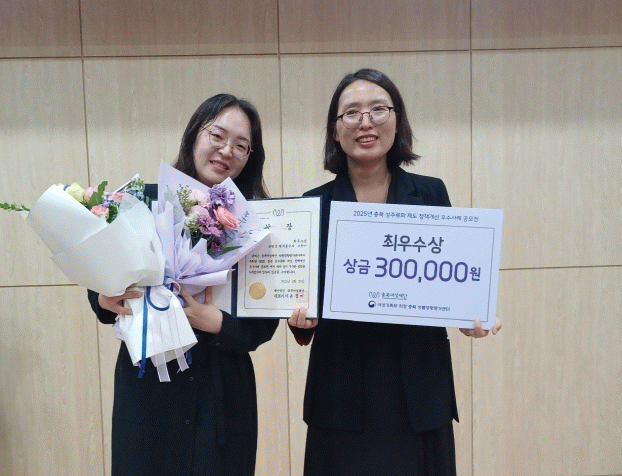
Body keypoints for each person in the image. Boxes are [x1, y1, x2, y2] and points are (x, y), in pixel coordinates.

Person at [288, 68, 502, 475]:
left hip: (418, 393)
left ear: (397, 120)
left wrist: (471, 314)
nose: (365, 122)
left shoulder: (431, 193)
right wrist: (300, 320)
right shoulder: (312, 205)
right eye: (351, 113)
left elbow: (448, 282)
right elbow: (303, 310)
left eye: (378, 110)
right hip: (341, 393)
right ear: (335, 130)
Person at [88, 94, 279, 476]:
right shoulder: (141, 203)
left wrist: (217, 323)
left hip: (222, 393)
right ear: (194, 134)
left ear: (250, 157)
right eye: (217, 135)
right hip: (149, 388)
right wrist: (104, 297)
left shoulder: (254, 225)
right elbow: (100, 283)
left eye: (241, 145)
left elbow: (263, 325)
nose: (227, 150)